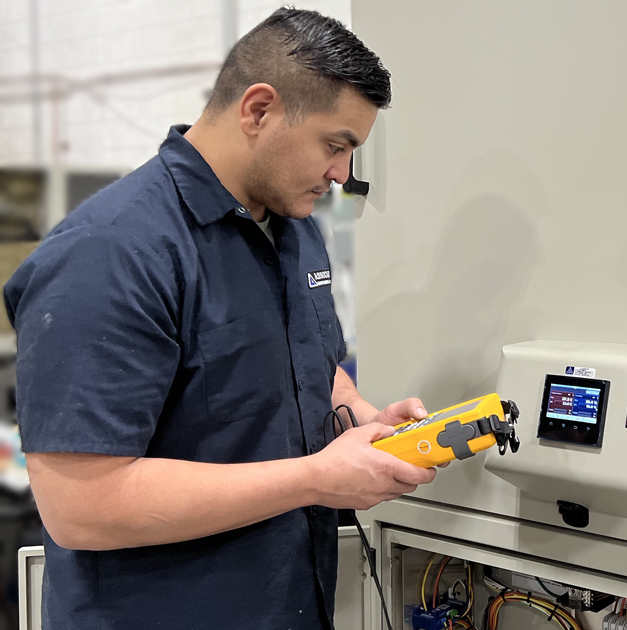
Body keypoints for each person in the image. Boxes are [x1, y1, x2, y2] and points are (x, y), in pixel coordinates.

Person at [2, 8, 433, 629]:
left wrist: (364, 420)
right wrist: (317, 479)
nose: (342, 174)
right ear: (258, 110)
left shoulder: (291, 229)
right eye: (335, 146)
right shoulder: (111, 253)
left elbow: (314, 364)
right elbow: (80, 506)